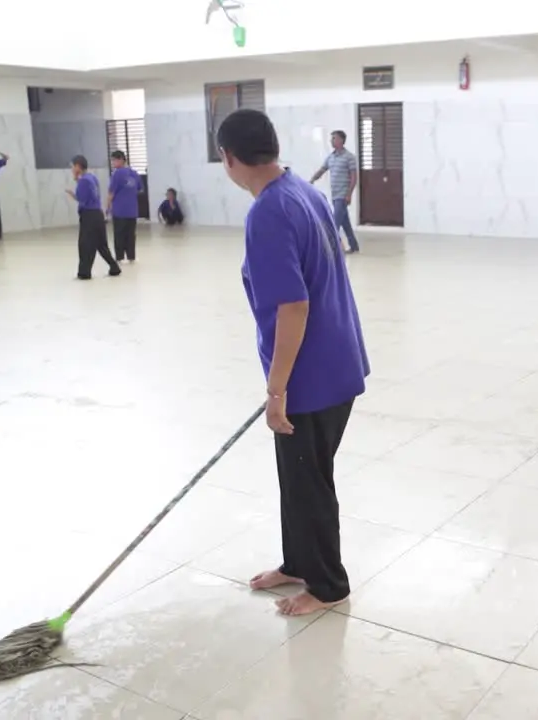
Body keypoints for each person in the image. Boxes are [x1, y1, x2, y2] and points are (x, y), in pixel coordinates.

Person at [216, 108, 370, 617]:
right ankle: (298, 562)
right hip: (336, 360)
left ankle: (329, 586)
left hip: (312, 375)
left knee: (309, 480)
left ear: (229, 158)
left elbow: (293, 305)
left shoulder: (268, 212)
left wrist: (277, 389)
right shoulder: (302, 190)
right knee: (298, 475)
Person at [66, 154, 121, 280]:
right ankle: (114, 267)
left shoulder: (83, 180)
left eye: (73, 166)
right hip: (97, 214)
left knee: (85, 244)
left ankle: (84, 272)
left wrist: (74, 189)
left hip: (89, 216)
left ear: (78, 166)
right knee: (101, 244)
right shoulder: (92, 178)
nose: (72, 169)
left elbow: (82, 199)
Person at [309, 130, 360, 253]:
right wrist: (311, 180)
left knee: (334, 223)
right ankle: (354, 246)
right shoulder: (330, 157)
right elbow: (322, 170)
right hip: (335, 194)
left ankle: (330, 250)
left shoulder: (349, 157)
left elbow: (354, 177)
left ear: (341, 140)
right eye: (331, 138)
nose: (331, 141)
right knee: (345, 223)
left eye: (334, 138)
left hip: (342, 195)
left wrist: (349, 194)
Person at [106, 150, 141, 262]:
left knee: (119, 235)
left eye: (114, 160)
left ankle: (120, 258)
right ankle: (131, 257)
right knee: (131, 235)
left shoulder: (117, 174)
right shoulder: (134, 174)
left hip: (119, 211)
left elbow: (111, 192)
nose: (113, 163)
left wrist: (107, 208)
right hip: (132, 210)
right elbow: (139, 189)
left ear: (121, 159)